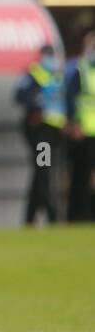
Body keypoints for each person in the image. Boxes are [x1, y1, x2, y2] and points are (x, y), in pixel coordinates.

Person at [13, 42, 66, 225]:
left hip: (54, 131)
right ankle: (49, 214)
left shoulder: (58, 75)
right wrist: (36, 105)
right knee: (43, 170)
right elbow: (20, 95)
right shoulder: (33, 73)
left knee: (42, 172)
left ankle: (31, 216)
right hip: (40, 131)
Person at [66, 31, 95, 222]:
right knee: (81, 176)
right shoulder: (80, 69)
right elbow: (71, 99)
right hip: (84, 131)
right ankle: (78, 216)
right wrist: (73, 123)